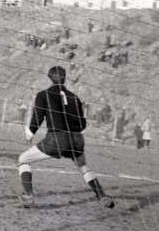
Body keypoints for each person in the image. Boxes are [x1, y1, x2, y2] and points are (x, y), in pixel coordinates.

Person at [17, 66, 114, 209]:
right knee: (83, 166)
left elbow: (38, 117)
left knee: (23, 159)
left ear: (50, 77)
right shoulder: (74, 97)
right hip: (77, 139)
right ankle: (102, 195)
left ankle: (29, 196)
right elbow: (82, 124)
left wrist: (29, 133)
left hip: (57, 139)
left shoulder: (44, 95)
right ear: (64, 78)